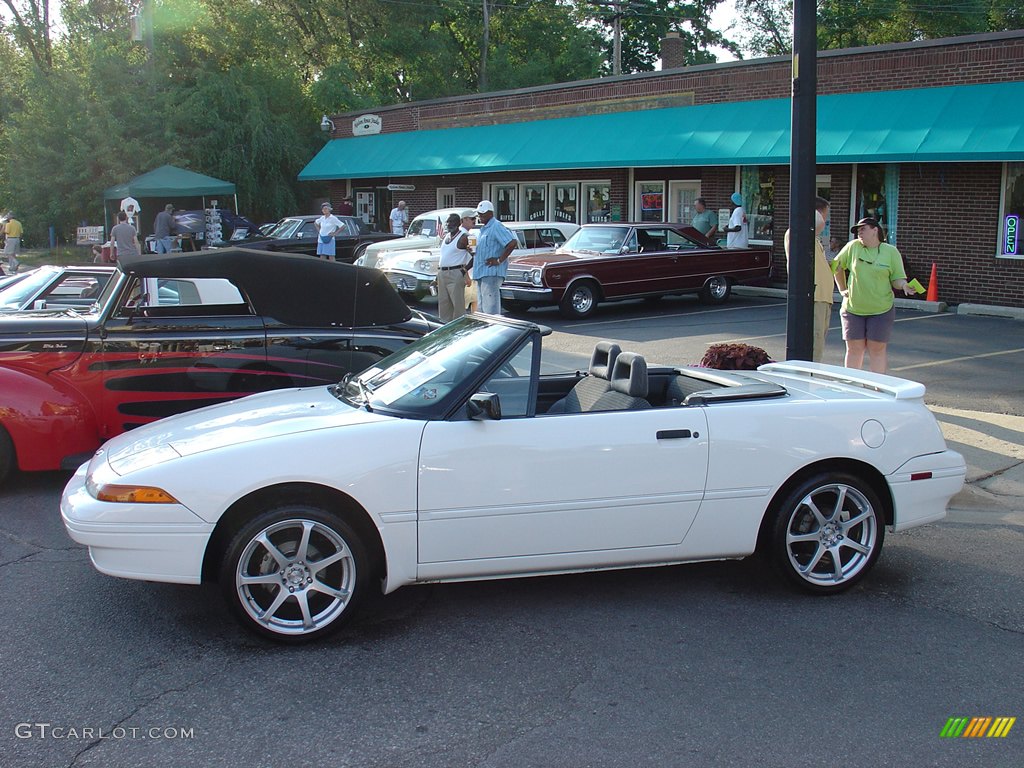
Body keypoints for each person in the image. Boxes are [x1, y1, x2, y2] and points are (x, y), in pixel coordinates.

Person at [833, 216, 916, 373]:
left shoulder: (890, 252)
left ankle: (878, 389)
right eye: (857, 231)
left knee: (877, 349)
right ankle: (852, 385)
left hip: (881, 310)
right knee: (854, 349)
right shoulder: (853, 247)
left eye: (863, 229)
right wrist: (842, 289)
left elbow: (897, 278)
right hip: (853, 309)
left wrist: (904, 285)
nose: (859, 234)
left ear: (875, 230)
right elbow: (836, 266)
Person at [784, 196, 833, 363]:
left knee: (819, 342)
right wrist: (809, 207)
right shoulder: (796, 233)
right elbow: (818, 220)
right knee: (813, 345)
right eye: (825, 215)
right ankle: (809, 381)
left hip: (823, 298)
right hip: (813, 297)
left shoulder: (815, 239)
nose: (825, 221)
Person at [471, 200, 516, 316]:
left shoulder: (496, 226)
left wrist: (499, 260)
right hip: (481, 272)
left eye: (483, 213)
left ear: (491, 213)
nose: (480, 216)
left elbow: (512, 243)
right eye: (479, 214)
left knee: (491, 309)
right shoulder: (483, 229)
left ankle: (493, 331)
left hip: (491, 273)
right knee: (482, 309)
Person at [436, 212, 473, 323]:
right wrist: (436, 278)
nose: (449, 224)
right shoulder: (446, 236)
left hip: (456, 273)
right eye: (448, 222)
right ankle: (444, 330)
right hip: (442, 274)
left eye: (452, 222)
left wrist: (464, 270)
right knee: (443, 306)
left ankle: (459, 331)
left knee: (458, 306)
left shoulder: (465, 237)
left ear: (459, 223)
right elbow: (443, 257)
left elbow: (476, 256)